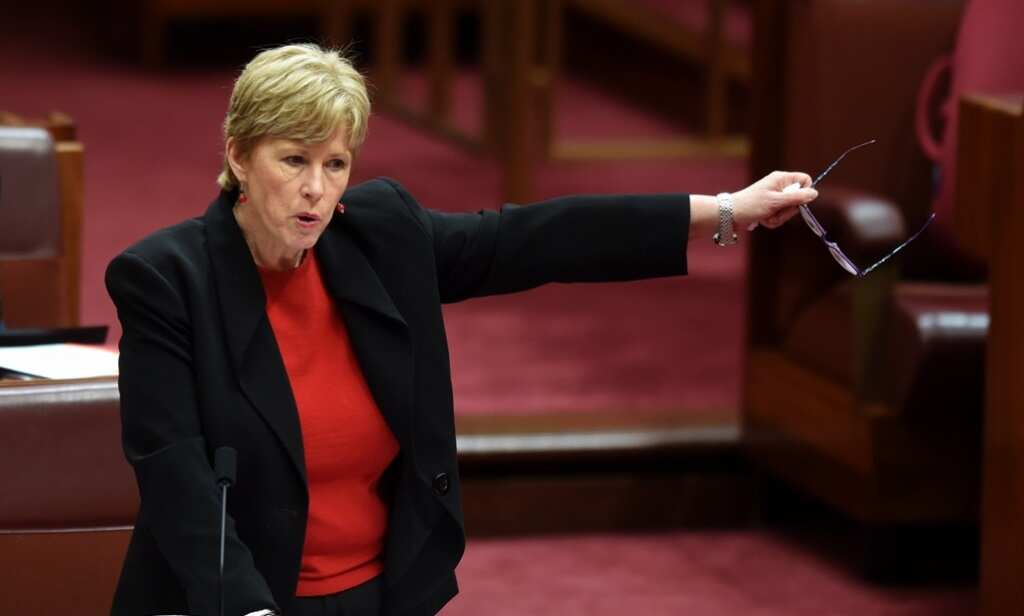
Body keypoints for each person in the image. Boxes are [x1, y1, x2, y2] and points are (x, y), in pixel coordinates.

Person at [105, 43, 817, 616]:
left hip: (380, 594)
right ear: (238, 156)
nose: (317, 191)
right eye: (293, 160)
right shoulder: (167, 280)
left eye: (335, 164)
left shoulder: (379, 236)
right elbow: (176, 473)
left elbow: (538, 238)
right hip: (232, 599)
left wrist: (727, 210)